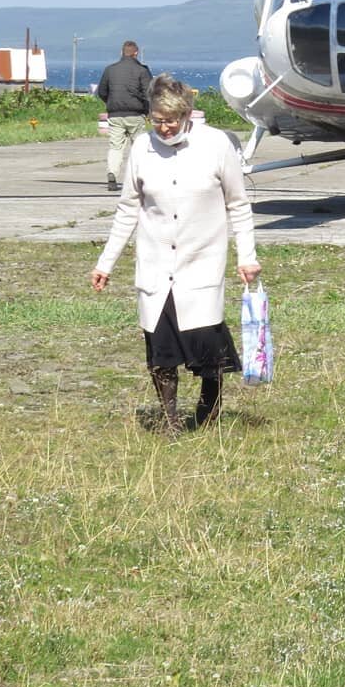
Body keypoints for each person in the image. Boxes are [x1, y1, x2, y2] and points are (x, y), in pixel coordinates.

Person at [90, 73, 261, 435]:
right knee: (161, 350)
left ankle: (209, 407)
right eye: (157, 120)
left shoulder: (216, 145)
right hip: (155, 267)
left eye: (171, 120)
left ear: (187, 114)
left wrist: (247, 256)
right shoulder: (141, 148)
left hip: (201, 265)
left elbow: (239, 206)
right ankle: (169, 420)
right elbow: (127, 210)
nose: (165, 128)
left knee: (207, 350)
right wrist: (105, 263)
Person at [97, 40, 152, 191]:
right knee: (139, 147)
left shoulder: (110, 70)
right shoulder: (142, 71)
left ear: (121, 52)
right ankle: (139, 179)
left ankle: (112, 175)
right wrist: (149, 111)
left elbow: (102, 91)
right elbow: (149, 94)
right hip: (136, 114)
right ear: (136, 53)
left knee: (115, 147)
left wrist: (111, 102)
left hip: (115, 114)